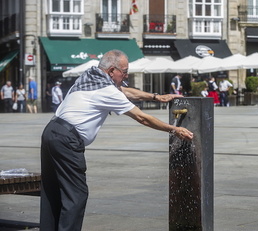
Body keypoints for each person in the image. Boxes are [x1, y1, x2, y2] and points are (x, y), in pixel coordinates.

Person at [40, 49, 193, 231]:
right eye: (124, 71)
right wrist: (173, 129)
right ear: (112, 71)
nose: (126, 75)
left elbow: (125, 91)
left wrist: (155, 97)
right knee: (76, 195)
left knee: (53, 191)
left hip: (51, 132)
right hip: (67, 140)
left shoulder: (89, 77)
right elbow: (141, 117)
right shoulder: (106, 90)